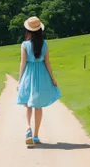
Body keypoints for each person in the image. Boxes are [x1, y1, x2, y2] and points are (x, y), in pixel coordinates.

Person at [16, 16, 61, 146]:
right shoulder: (45, 44)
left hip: (28, 75)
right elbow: (47, 63)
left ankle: (27, 128)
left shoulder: (24, 45)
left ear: (28, 31)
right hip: (41, 76)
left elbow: (22, 63)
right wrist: (52, 79)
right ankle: (35, 136)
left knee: (28, 104)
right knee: (38, 106)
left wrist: (20, 81)